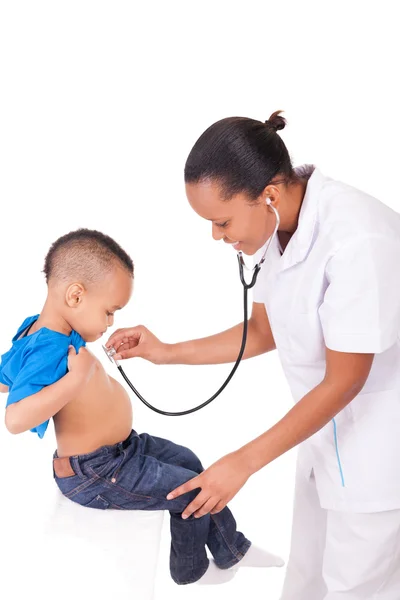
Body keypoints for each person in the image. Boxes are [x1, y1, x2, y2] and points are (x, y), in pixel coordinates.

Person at [106, 112, 400, 599]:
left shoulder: (356, 240)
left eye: (222, 222)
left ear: (268, 193)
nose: (217, 237)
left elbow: (345, 379)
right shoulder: (280, 225)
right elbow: (262, 330)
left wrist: (242, 463)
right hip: (326, 443)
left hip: (378, 458)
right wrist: (165, 352)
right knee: (305, 582)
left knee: (355, 590)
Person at [0, 228, 283, 586]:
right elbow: (15, 418)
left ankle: (230, 551)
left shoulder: (41, 332)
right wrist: (75, 381)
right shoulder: (48, 347)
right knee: (193, 491)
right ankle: (191, 570)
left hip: (123, 451)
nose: (110, 323)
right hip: (96, 473)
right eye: (109, 311)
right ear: (75, 295)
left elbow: (7, 373)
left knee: (190, 463)